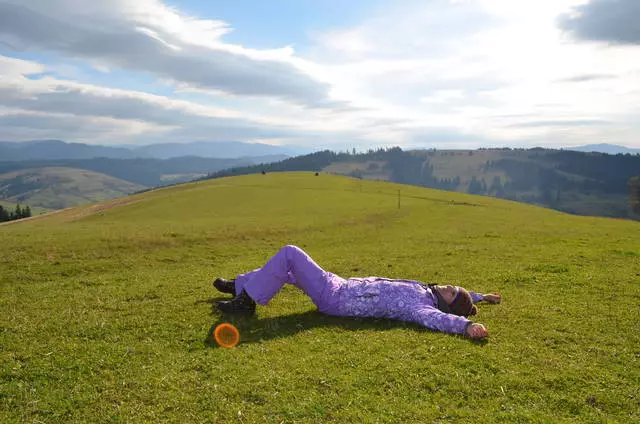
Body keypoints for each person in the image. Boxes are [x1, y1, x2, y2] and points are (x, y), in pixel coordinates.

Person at [213, 245, 501, 339]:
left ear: (445, 304)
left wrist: (467, 325)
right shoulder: (427, 290)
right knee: (288, 270)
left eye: (452, 292)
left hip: (336, 297)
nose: (449, 286)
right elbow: (462, 298)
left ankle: (246, 302)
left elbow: (440, 320)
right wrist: (481, 296)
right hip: (341, 285)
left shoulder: (422, 307)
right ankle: (241, 287)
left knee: (290, 253)